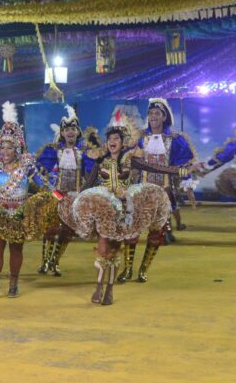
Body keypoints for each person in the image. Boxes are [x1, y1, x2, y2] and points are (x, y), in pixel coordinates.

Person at [59, 111, 171, 304]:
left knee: (114, 253)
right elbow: (88, 185)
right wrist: (71, 200)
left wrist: (182, 170)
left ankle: (109, 290)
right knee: (103, 250)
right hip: (103, 211)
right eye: (110, 138)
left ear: (122, 141)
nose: (112, 141)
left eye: (116, 138)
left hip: (123, 211)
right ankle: (99, 287)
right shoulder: (100, 161)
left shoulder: (130, 159)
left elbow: (157, 168)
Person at [0, 102, 58, 298]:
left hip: (20, 213)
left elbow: (43, 185)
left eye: (9, 148)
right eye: (2, 148)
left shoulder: (26, 166)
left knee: (16, 249)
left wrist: (58, 196)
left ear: (16, 148)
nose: (4, 152)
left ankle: (14, 284)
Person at [125, 98, 196, 282]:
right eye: (150, 113)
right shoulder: (139, 137)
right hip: (141, 191)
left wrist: (188, 183)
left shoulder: (175, 139)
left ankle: (143, 270)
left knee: (156, 234)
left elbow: (185, 162)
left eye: (157, 113)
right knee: (132, 230)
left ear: (164, 117)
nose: (153, 116)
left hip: (163, 192)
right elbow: (127, 159)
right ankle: (127, 269)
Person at [34, 105, 99, 276]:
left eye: (73, 129)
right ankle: (44, 262)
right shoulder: (54, 150)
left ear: (78, 132)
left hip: (74, 197)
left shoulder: (85, 152)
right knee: (50, 228)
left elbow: (91, 173)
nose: (70, 132)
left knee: (67, 231)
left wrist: (84, 192)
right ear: (62, 133)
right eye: (66, 130)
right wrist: (48, 186)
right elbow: (41, 169)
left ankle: (55, 261)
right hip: (57, 195)